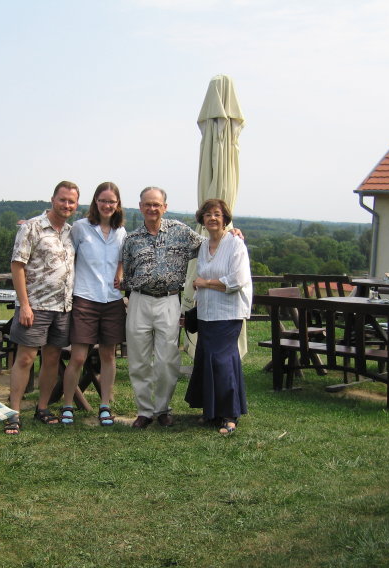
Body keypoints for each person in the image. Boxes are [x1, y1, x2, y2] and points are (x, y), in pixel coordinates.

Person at [121, 186, 221, 429]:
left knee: (167, 360)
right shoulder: (131, 240)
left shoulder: (181, 232)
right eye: (147, 204)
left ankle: (163, 408)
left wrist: (231, 234)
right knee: (139, 360)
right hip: (138, 300)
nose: (152, 208)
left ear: (164, 207)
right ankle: (144, 411)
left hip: (168, 300)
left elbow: (211, 246)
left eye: (157, 204)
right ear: (140, 207)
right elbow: (125, 272)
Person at [4, 181, 78, 434]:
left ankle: (42, 408)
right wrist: (24, 304)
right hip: (35, 306)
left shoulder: (71, 232)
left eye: (71, 201)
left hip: (63, 307)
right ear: (52, 199)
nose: (67, 205)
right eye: (63, 199)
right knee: (25, 358)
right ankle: (13, 412)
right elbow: (17, 265)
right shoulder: (32, 227)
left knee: (52, 359)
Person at [60, 182, 127, 426]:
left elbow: (121, 261)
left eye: (112, 201)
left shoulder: (121, 232)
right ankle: (67, 405)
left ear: (117, 204)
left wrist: (120, 272)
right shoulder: (80, 228)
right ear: (95, 202)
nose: (107, 205)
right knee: (78, 356)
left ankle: (105, 406)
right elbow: (66, 253)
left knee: (109, 356)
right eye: (103, 200)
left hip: (112, 300)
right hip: (85, 298)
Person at [183, 199, 252, 435]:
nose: (212, 218)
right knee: (205, 361)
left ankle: (230, 415)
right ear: (202, 219)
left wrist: (206, 283)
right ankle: (211, 412)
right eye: (208, 214)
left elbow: (237, 281)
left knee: (222, 363)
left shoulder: (235, 244)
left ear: (225, 218)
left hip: (228, 313)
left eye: (217, 214)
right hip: (206, 313)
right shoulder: (203, 246)